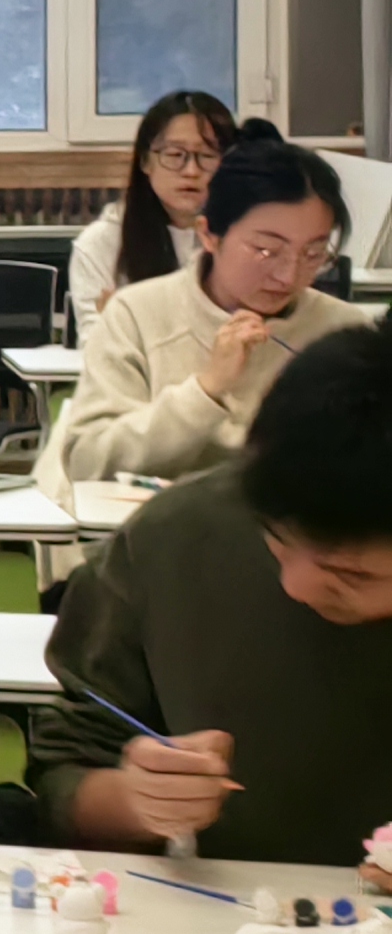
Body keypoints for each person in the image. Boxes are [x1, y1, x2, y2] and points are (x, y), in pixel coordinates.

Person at [31, 329, 392, 870]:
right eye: (274, 538)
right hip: (218, 908)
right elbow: (64, 772)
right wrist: (137, 801)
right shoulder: (173, 538)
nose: (296, 585)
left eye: (351, 574)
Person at [46, 123, 368, 492]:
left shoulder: (344, 331)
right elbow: (87, 460)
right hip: (159, 524)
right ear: (209, 234)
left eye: (313, 253)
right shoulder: (136, 314)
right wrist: (206, 390)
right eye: (266, 250)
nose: (288, 275)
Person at [71, 89, 235, 333]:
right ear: (146, 162)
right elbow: (96, 346)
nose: (191, 171)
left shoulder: (246, 239)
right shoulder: (102, 242)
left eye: (207, 155)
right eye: (175, 154)